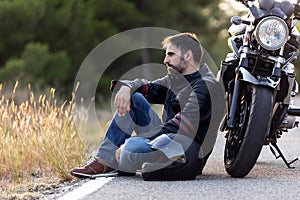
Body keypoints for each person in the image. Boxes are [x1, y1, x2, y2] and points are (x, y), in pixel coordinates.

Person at [71, 32, 223, 180]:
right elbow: (146, 87)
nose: (165, 60)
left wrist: (131, 142)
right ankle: (104, 161)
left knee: (131, 147)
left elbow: (182, 126)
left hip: (184, 152)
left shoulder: (206, 85)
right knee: (134, 98)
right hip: (164, 141)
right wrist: (126, 87)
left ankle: (122, 159)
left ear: (188, 56)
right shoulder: (174, 79)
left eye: (171, 54)